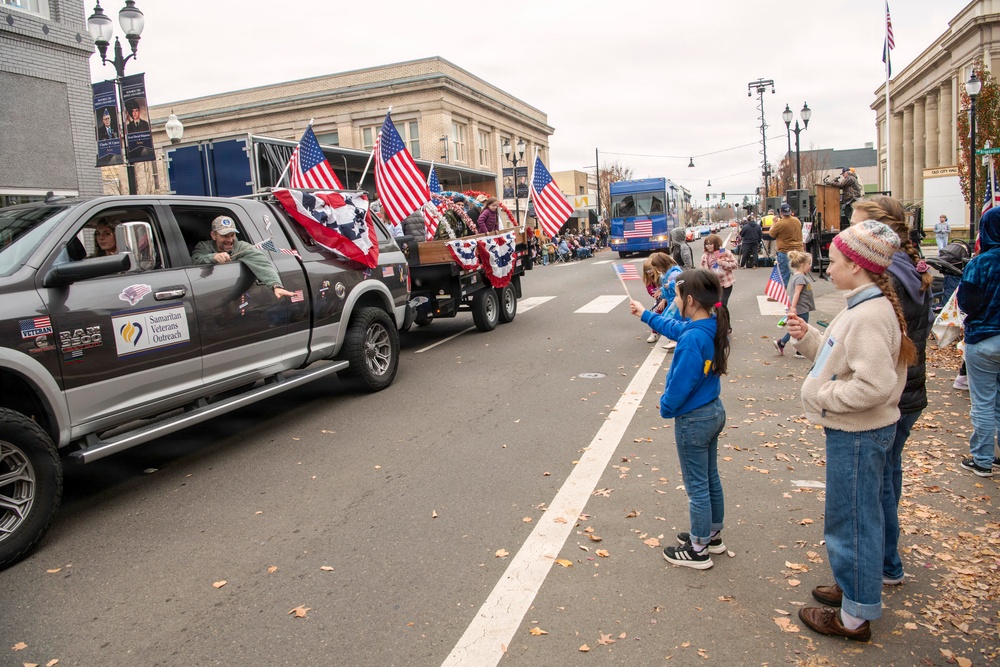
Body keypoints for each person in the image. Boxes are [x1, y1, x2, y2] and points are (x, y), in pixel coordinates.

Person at [785, 220, 913, 642]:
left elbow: (874, 384)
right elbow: (840, 354)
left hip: (857, 432)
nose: (829, 265)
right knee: (853, 515)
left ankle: (855, 617)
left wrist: (825, 395)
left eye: (835, 259)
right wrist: (809, 339)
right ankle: (853, 584)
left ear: (857, 266)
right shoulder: (863, 305)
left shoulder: (869, 314)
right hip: (855, 432)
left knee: (852, 521)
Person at [844, 195, 932, 590]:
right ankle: (884, 556)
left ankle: (883, 561)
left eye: (855, 221)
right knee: (887, 475)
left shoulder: (886, 276)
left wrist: (829, 392)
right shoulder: (908, 266)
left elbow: (877, 352)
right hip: (909, 388)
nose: (849, 226)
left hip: (892, 394)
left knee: (876, 483)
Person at [628, 269, 730, 569]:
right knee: (710, 477)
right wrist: (646, 315)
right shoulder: (709, 325)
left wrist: (666, 406)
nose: (673, 301)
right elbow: (674, 328)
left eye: (675, 296)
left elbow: (680, 384)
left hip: (693, 419)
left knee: (696, 484)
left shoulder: (691, 340)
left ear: (689, 299)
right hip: (713, 410)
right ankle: (711, 534)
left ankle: (698, 549)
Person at [957, 206, 1000, 477]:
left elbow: (967, 303)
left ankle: (983, 459)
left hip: (984, 337)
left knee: (984, 401)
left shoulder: (981, 263)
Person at [191, 215, 296, 299]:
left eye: (232, 235)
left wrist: (276, 286)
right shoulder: (204, 246)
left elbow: (262, 263)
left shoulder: (242, 247)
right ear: (213, 235)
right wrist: (214, 257)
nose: (230, 240)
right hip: (209, 295)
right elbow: (196, 260)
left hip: (239, 296)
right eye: (224, 236)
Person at [773, 250, 814, 357]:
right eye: (809, 264)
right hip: (801, 308)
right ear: (802, 265)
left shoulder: (796, 276)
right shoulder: (800, 277)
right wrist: (794, 307)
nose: (810, 266)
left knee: (798, 328)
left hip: (800, 307)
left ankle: (783, 343)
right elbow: (797, 292)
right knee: (801, 328)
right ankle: (794, 348)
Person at [700, 234, 737, 324]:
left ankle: (727, 326)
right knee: (716, 306)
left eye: (710, 244)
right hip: (713, 285)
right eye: (706, 244)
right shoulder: (705, 256)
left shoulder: (723, 252)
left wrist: (722, 263)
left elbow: (735, 265)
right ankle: (720, 325)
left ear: (716, 244)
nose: (708, 246)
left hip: (725, 284)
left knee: (722, 304)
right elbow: (702, 270)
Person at [767, 203, 803, 289]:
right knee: (798, 273)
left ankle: (781, 294)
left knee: (783, 274)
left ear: (781, 213)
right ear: (790, 212)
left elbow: (771, 234)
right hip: (798, 250)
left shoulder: (780, 224)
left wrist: (774, 223)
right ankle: (799, 292)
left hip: (785, 251)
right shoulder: (797, 221)